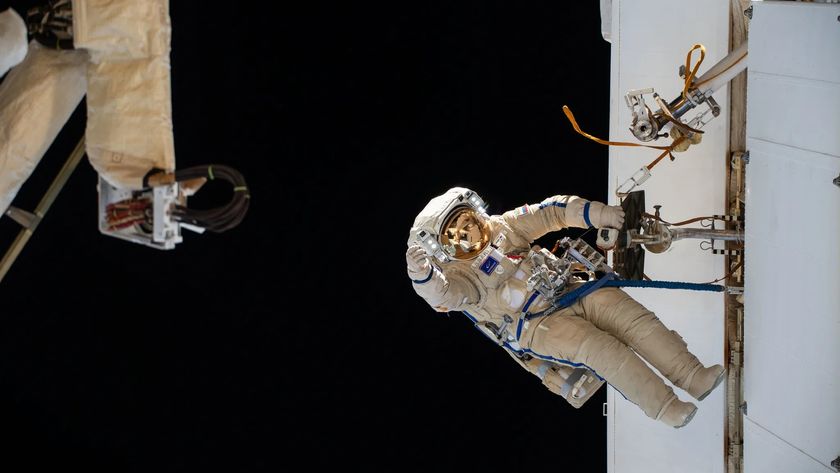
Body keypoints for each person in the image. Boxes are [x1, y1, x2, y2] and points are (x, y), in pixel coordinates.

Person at [406, 187, 725, 428]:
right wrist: (422, 276)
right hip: (536, 325)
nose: (469, 234)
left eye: (467, 222)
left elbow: (551, 212)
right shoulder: (459, 278)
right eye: (456, 235)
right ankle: (666, 407)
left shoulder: (505, 227)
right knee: (601, 350)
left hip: (566, 287)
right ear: (443, 248)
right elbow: (444, 295)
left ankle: (693, 376)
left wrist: (599, 214)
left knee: (631, 317)